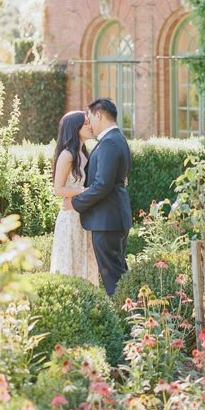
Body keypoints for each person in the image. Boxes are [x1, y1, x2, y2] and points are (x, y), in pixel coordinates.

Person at [71, 97, 132, 296]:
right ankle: (134, 319)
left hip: (107, 221)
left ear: (99, 115)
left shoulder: (109, 143)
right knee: (119, 274)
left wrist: (76, 202)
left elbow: (102, 185)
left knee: (113, 278)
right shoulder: (118, 139)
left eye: (89, 118)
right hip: (114, 218)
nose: (88, 123)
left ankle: (130, 322)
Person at [50, 110, 99, 286]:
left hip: (83, 217)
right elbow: (58, 189)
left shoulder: (84, 154)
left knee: (85, 263)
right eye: (86, 123)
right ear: (75, 128)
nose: (90, 126)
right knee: (70, 266)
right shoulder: (67, 155)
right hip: (70, 218)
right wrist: (84, 191)